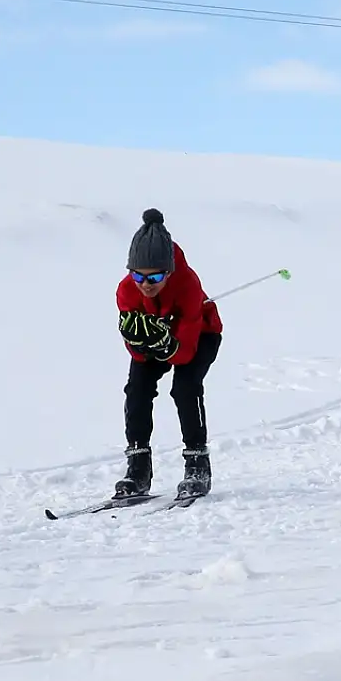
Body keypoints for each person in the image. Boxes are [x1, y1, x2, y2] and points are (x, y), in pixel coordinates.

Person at [114, 208, 224, 498]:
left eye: (155, 276)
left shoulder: (188, 285)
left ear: (169, 270)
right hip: (160, 343)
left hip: (202, 335)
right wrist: (140, 344)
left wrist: (168, 345)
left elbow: (185, 354)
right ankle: (138, 469)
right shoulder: (127, 291)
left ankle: (197, 465)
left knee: (185, 388)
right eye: (138, 275)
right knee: (137, 388)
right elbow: (138, 355)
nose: (146, 284)